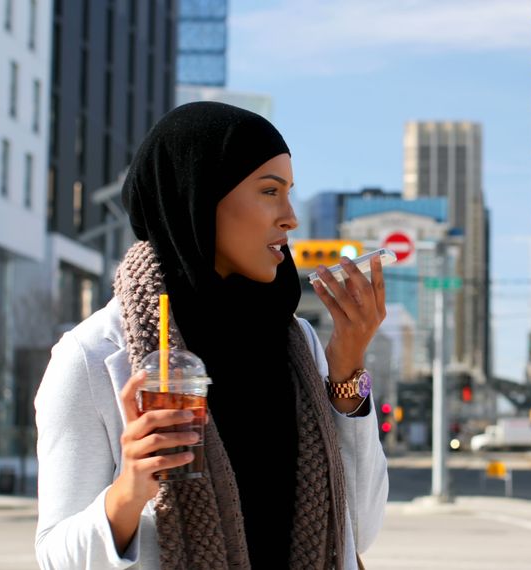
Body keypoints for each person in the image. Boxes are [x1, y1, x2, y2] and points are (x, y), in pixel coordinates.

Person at [34, 101, 388, 569]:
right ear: (198, 196)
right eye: (269, 191)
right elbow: (55, 558)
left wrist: (347, 365)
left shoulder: (297, 344)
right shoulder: (92, 356)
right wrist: (128, 492)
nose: (290, 218)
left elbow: (359, 527)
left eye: (289, 193)